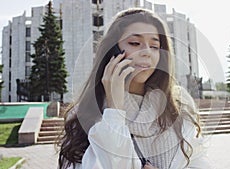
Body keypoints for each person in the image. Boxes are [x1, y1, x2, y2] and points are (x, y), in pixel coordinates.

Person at [57, 8, 211, 169]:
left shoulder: (179, 104)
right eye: (135, 43)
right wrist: (114, 110)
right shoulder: (85, 113)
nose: (146, 52)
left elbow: (200, 161)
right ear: (112, 50)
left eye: (154, 46)